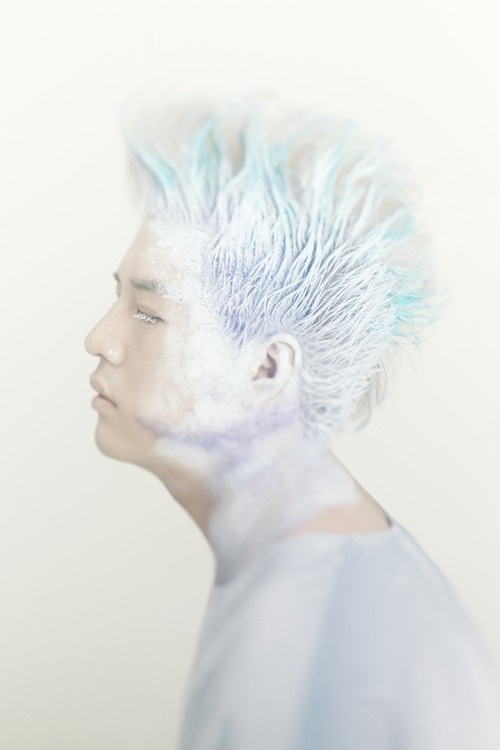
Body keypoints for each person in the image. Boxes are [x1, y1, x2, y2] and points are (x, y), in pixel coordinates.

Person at [85, 100, 500, 749]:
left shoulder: (304, 653)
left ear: (268, 367)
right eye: (119, 299)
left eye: (147, 314)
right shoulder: (326, 571)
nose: (99, 339)